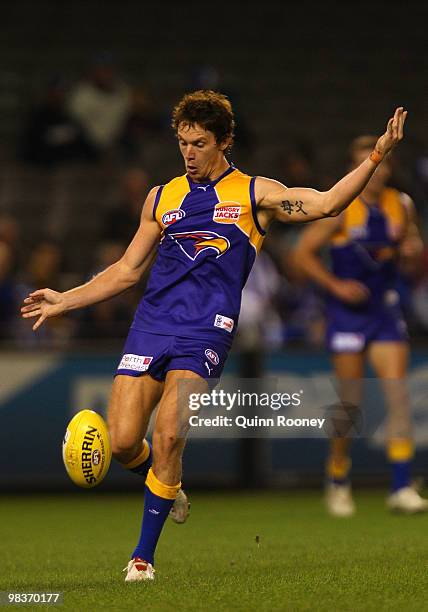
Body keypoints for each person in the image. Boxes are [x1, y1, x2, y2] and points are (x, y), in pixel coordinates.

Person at [21, 91, 406, 580]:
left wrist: (377, 156)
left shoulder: (254, 194)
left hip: (206, 330)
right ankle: (168, 486)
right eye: (183, 142)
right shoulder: (161, 197)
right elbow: (124, 271)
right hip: (151, 325)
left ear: (223, 141)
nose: (189, 153)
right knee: (121, 443)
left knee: (168, 434)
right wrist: (65, 300)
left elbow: (328, 204)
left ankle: (142, 558)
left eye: (199, 143)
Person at [293, 134, 427, 516]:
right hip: (347, 313)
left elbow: (411, 255)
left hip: (384, 310)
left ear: (390, 167)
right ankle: (337, 476)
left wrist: (410, 252)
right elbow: (301, 254)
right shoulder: (340, 207)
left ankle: (401, 486)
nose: (377, 169)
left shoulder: (401, 205)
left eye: (384, 161)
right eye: (370, 161)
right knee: (350, 402)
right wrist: (335, 285)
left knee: (397, 394)